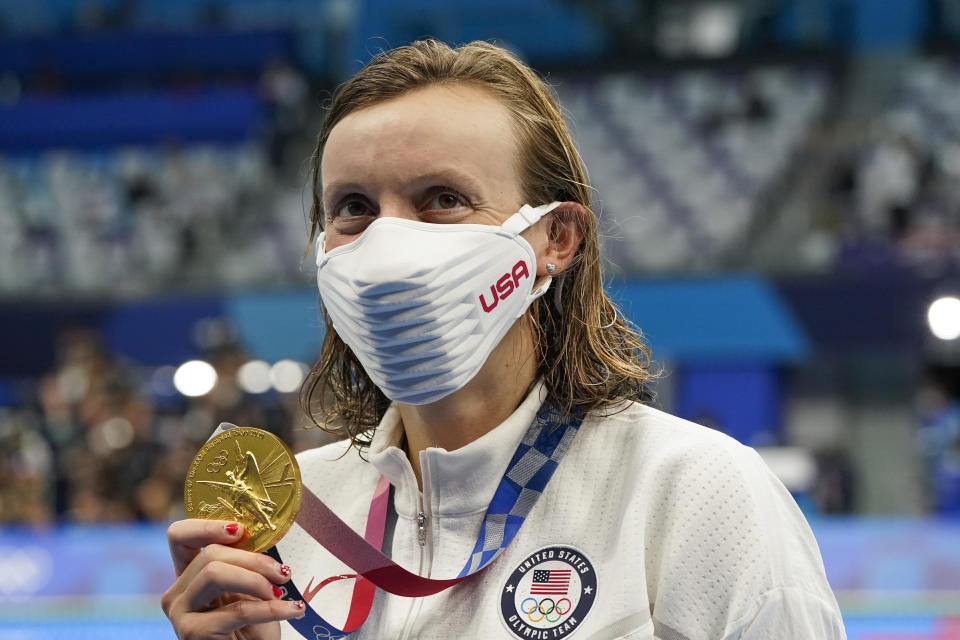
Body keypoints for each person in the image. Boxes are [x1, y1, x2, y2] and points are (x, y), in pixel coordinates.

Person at [162, 40, 846, 640]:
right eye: (354, 208)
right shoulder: (294, 515)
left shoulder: (693, 491)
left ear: (555, 240)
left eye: (442, 199)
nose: (387, 246)